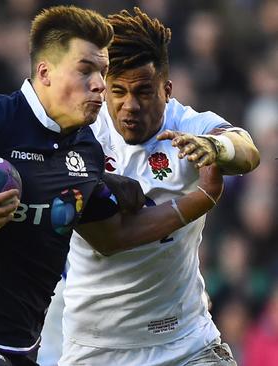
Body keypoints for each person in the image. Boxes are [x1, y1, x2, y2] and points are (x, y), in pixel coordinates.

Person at [0, 6, 224, 366]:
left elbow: (112, 237)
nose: (99, 83)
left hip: (23, 350)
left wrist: (198, 200)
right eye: (86, 70)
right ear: (45, 72)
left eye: (101, 71)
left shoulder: (85, 150)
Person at [60, 8, 260, 366]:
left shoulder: (188, 126)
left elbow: (246, 149)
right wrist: (201, 199)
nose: (130, 105)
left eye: (143, 91)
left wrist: (216, 147)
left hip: (185, 341)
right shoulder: (80, 133)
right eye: (118, 91)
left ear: (167, 89)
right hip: (97, 347)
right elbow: (110, 240)